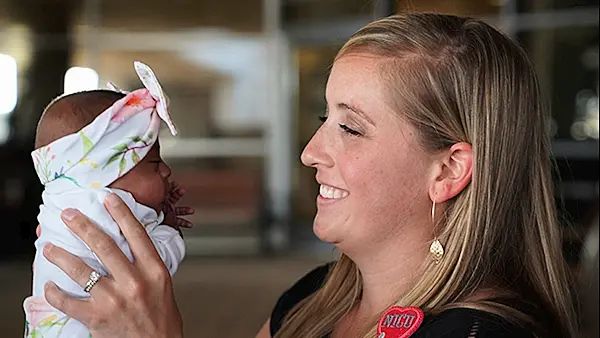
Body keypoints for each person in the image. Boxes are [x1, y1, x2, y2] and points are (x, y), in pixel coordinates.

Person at [37, 12, 579, 338]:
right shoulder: (313, 299)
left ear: (449, 169)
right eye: (325, 118)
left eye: (351, 127)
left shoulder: (481, 336)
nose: (310, 152)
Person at [25, 62, 193, 337]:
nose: (166, 170)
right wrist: (169, 231)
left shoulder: (58, 201)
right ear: (103, 173)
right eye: (152, 162)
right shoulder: (105, 211)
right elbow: (154, 271)